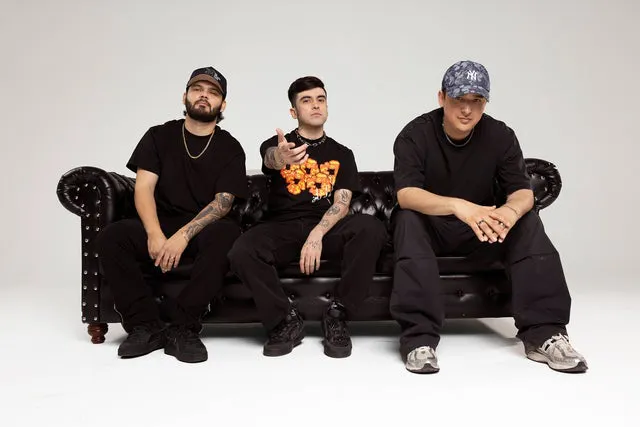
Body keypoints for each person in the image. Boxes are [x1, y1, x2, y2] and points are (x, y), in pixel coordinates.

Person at [391, 60, 588, 374]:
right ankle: (419, 340)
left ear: (485, 103)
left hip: (482, 233)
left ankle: (545, 334)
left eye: (477, 101)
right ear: (441, 98)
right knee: (406, 219)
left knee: (527, 220)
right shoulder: (415, 134)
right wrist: (459, 206)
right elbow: (406, 194)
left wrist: (509, 212)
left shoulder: (500, 134)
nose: (467, 109)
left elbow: (522, 192)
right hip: (432, 229)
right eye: (459, 99)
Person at [96, 67, 247, 363]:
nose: (204, 95)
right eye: (197, 89)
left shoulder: (230, 147)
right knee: (112, 237)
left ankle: (183, 328)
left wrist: (182, 236)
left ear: (222, 105)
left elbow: (224, 202)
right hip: (161, 222)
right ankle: (145, 326)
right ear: (185, 96)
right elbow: (143, 188)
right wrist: (154, 233)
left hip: (203, 229)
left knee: (227, 234)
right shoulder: (159, 135)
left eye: (213, 92)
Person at [228, 76, 387, 358]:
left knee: (370, 228)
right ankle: (285, 321)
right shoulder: (279, 144)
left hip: (326, 229)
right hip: (283, 227)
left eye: (320, 99)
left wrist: (317, 234)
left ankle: (338, 314)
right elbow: (271, 158)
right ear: (294, 112)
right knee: (242, 250)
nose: (315, 105)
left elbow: (342, 202)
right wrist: (282, 157)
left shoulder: (343, 153)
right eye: (306, 100)